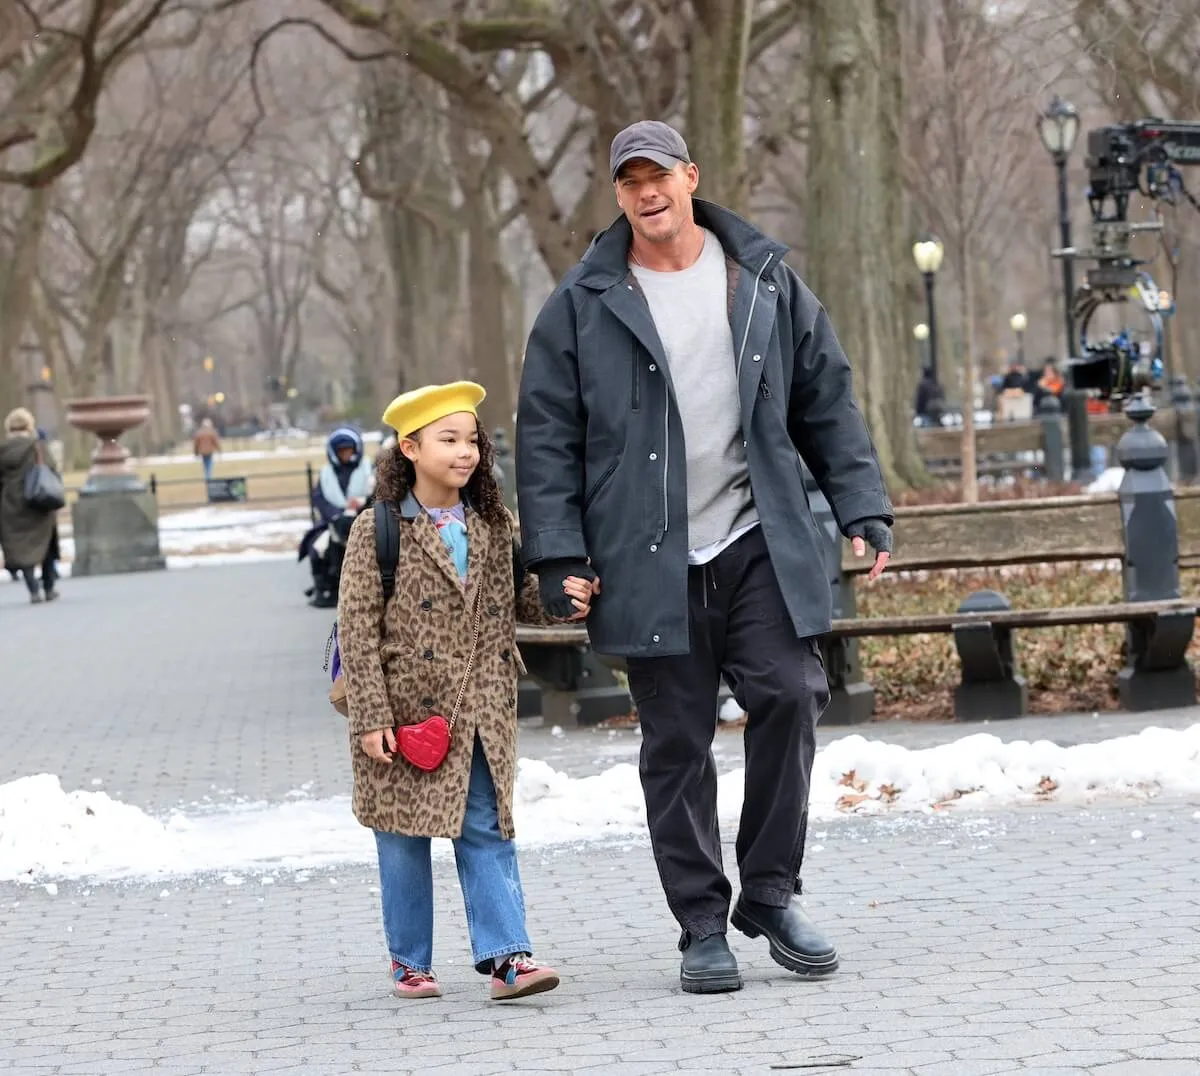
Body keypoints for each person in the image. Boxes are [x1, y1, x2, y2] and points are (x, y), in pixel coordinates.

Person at [516, 120, 893, 994]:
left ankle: (768, 891)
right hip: (648, 558)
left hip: (755, 534)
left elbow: (824, 397)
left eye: (660, 176)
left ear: (691, 176)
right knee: (677, 742)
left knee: (792, 692)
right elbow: (545, 437)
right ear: (618, 196)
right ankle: (699, 926)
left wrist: (862, 506)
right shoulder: (583, 303)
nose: (647, 193)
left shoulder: (763, 279)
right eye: (629, 182)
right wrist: (555, 555)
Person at [335, 380, 598, 1000]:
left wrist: (566, 596)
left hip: (479, 709)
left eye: (472, 440)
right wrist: (371, 717)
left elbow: (520, 598)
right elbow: (357, 630)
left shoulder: (491, 523)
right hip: (402, 712)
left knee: (485, 825)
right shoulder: (378, 530)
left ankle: (509, 957)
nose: (466, 452)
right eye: (448, 439)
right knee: (402, 836)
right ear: (409, 447)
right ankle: (410, 962)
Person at [300, 426, 374, 608]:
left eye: (349, 450)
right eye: (341, 451)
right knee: (316, 546)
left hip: (365, 518)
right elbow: (319, 498)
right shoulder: (326, 473)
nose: (346, 454)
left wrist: (362, 507)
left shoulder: (369, 469)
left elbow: (378, 494)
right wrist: (335, 515)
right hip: (333, 521)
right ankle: (324, 588)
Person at [0, 408, 62, 604]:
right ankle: (49, 587)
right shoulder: (38, 447)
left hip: (11, 505)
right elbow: (52, 469)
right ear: (29, 426)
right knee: (46, 545)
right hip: (38, 502)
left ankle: (33, 589)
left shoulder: (3, 450)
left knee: (20, 547)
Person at [193, 418, 220, 483]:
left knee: (205, 464)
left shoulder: (199, 433)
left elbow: (196, 444)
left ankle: (207, 476)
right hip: (209, 451)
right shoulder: (212, 432)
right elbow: (215, 442)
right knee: (209, 463)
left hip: (202, 451)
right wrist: (219, 449)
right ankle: (209, 476)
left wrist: (196, 452)